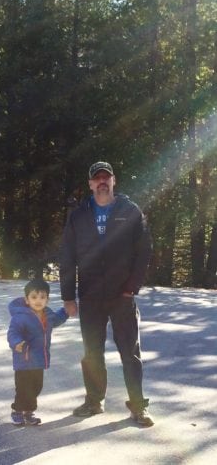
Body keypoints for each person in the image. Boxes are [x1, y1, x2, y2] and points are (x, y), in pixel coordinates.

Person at [59, 161, 154, 427]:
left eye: (106, 177)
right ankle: (94, 401)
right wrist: (68, 296)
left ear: (114, 181)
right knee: (92, 352)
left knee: (130, 352)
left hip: (121, 295)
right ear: (90, 184)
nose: (102, 182)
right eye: (96, 178)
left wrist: (131, 288)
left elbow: (144, 250)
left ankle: (138, 405)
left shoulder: (130, 211)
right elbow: (67, 256)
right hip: (90, 295)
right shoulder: (78, 215)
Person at [7, 278, 68, 426]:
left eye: (42, 297)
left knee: (36, 387)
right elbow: (12, 333)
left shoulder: (48, 314)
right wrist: (17, 343)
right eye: (34, 297)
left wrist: (66, 311)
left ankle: (29, 412)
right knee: (23, 388)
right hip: (24, 359)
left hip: (40, 360)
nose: (38, 301)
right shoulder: (20, 317)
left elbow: (57, 319)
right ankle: (17, 411)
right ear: (27, 300)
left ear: (47, 299)